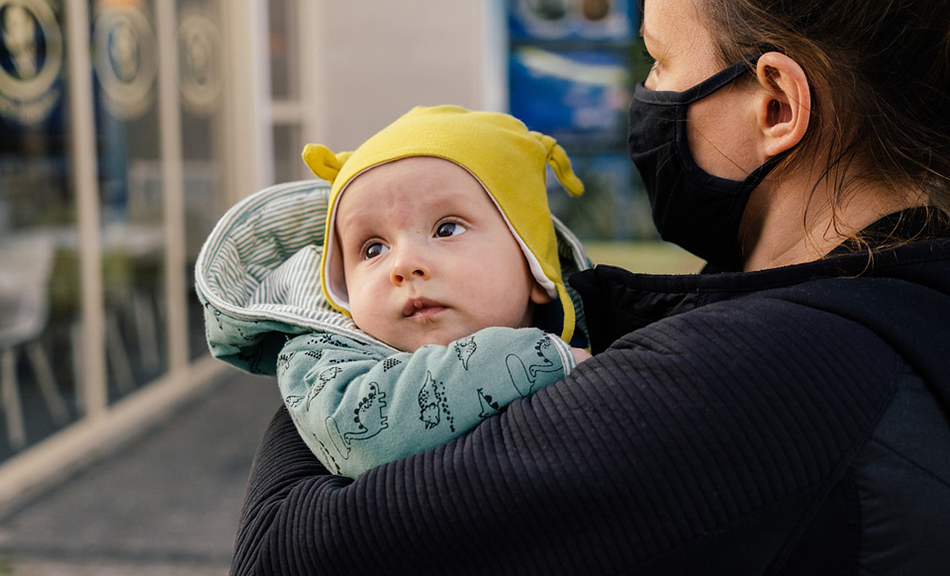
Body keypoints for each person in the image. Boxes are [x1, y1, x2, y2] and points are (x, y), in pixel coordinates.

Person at [227, 0, 950, 574]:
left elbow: (283, 553)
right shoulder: (883, 299)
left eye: (659, 61)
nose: (646, 94)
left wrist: (327, 335)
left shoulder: (765, 374)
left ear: (774, 107)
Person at [196, 105, 591, 478]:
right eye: (373, 249)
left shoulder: (608, 328)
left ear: (534, 267)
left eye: (447, 229)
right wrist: (539, 358)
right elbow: (358, 431)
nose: (403, 266)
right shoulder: (322, 360)